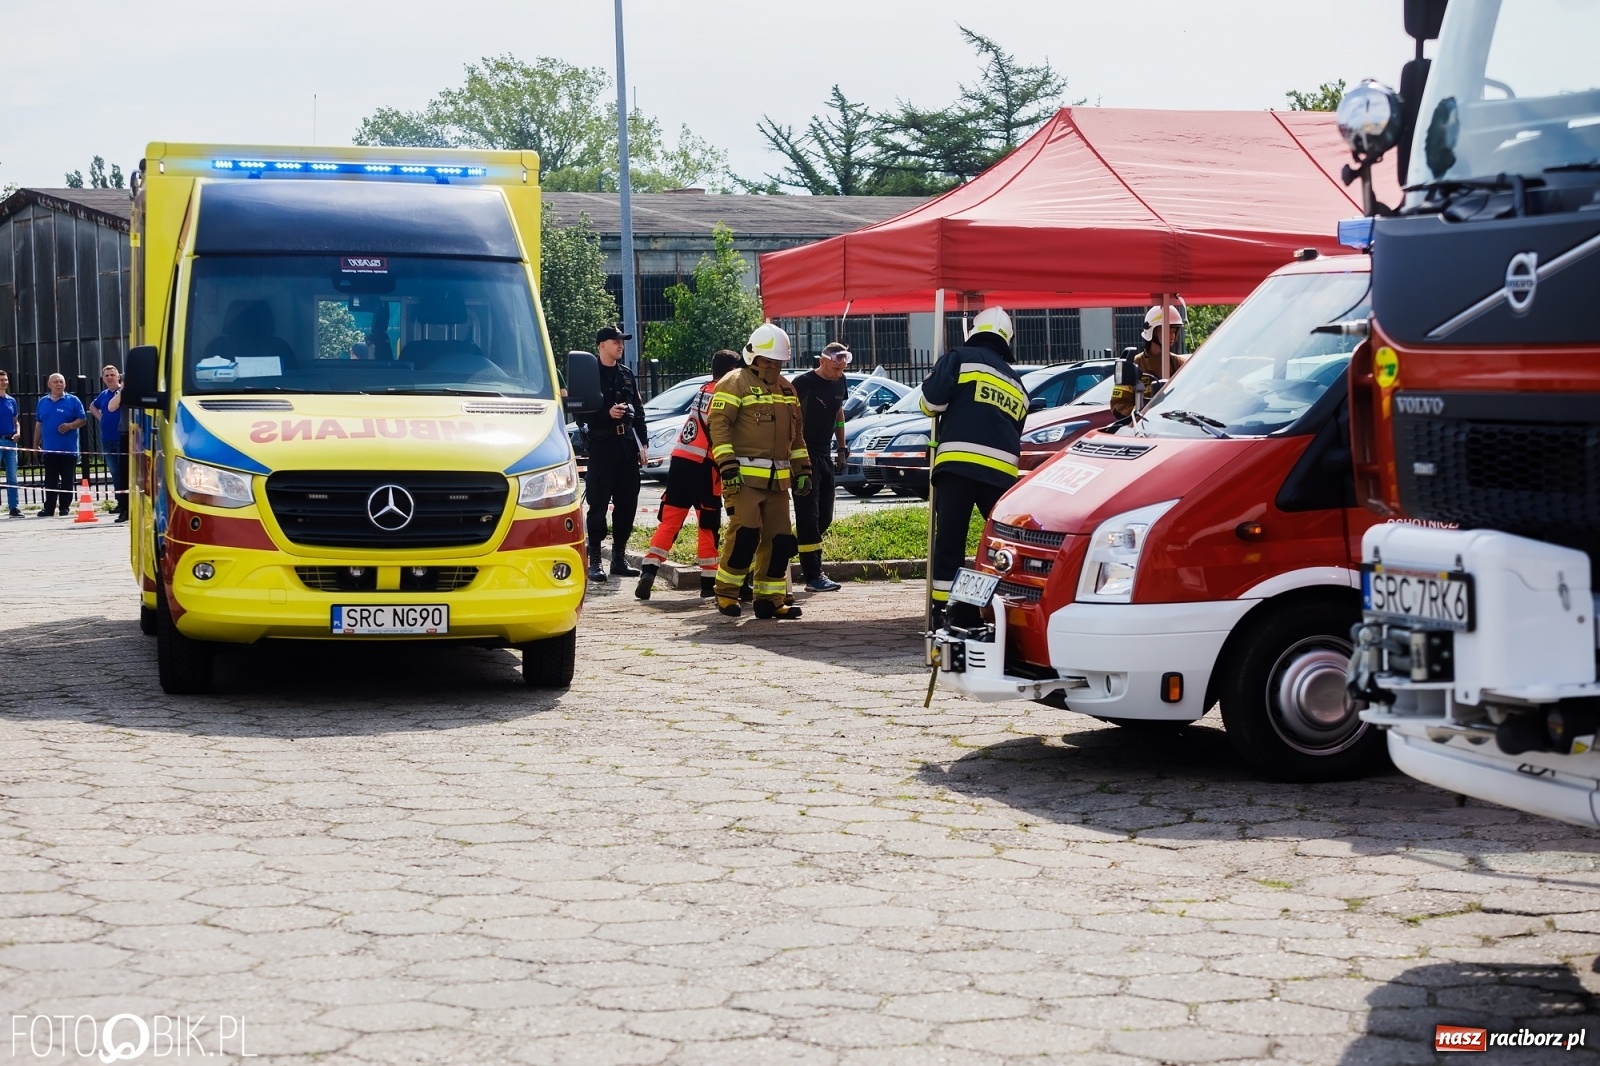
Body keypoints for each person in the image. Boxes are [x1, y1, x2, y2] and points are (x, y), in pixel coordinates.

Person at [919, 307, 1028, 625]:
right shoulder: (1018, 383)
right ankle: (996, 606)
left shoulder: (960, 357)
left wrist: (934, 377)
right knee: (1000, 545)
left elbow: (931, 404)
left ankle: (944, 611)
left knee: (950, 541)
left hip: (958, 466)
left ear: (974, 331)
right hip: (1001, 475)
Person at [708, 323, 809, 620]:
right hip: (743, 479)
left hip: (778, 482)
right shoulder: (733, 383)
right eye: (769, 361)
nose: (774, 367)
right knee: (746, 535)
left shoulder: (787, 389)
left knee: (781, 541)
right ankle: (726, 593)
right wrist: (726, 465)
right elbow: (719, 425)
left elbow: (797, 436)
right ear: (753, 358)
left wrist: (803, 468)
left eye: (779, 362)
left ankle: (770, 599)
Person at [636, 350, 742, 601]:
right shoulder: (724, 392)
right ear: (731, 371)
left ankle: (649, 570)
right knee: (708, 523)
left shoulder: (703, 389)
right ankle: (707, 584)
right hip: (704, 466)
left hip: (680, 461)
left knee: (670, 521)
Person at [579, 325, 648, 581]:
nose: (620, 345)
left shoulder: (627, 375)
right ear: (601, 346)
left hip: (627, 449)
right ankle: (595, 561)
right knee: (597, 506)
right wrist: (606, 415)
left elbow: (639, 412)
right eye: (615, 341)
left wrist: (644, 444)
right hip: (602, 448)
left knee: (627, 505)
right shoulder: (589, 374)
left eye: (622, 342)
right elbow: (580, 413)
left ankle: (619, 559)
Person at [790, 342, 852, 592]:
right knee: (808, 518)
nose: (839, 373)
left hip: (826, 455)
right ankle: (814, 576)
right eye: (835, 368)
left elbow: (839, 413)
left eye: (842, 369)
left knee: (824, 517)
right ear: (822, 361)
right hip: (804, 456)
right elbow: (790, 418)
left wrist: (842, 447)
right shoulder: (802, 383)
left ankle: (778, 555)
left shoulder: (840, 381)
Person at [1109, 304, 1187, 418]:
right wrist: (1143, 414)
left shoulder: (1181, 365)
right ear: (1152, 331)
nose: (1172, 337)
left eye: (1175, 331)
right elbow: (1118, 405)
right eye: (1168, 330)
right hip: (1143, 430)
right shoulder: (1133, 365)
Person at [34, 373, 87, 517]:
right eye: (56, 382)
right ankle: (49, 508)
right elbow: (39, 424)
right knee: (50, 481)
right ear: (49, 384)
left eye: (61, 382)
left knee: (67, 480)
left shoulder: (73, 401)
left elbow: (83, 419)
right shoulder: (43, 402)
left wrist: (70, 425)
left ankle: (64, 507)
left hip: (68, 450)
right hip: (49, 450)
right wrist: (35, 444)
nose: (59, 384)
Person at [91, 364, 128, 522]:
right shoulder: (104, 394)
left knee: (124, 472)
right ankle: (120, 503)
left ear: (118, 376)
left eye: (112, 375)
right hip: (107, 439)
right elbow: (93, 406)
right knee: (114, 472)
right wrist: (101, 418)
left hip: (122, 437)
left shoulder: (124, 392)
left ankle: (126, 504)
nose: (109, 378)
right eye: (106, 376)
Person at [0, 370, 20, 517]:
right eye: (1, 380)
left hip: (10, 441)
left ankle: (14, 507)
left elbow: (15, 421)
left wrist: (18, 432)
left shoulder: (11, 400)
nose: (4, 382)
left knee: (12, 476)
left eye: (5, 379)